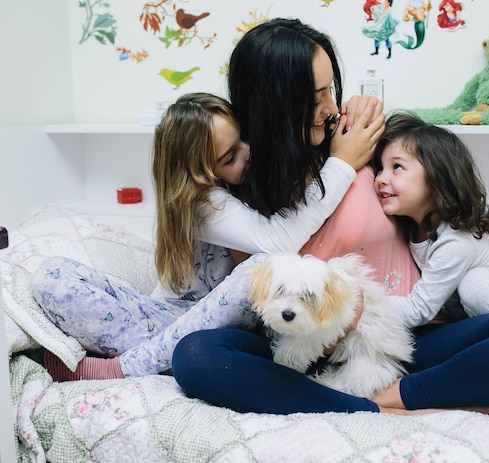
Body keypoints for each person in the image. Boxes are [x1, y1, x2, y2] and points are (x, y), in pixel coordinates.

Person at [170, 19, 489, 417]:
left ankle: (399, 395)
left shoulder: (356, 141)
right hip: (298, 347)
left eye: (329, 89)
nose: (330, 106)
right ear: (273, 104)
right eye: (313, 97)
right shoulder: (233, 188)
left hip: (411, 338)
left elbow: (433, 187)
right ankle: (391, 404)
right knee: (196, 356)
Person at [31, 89, 384, 379]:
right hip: (171, 318)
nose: (247, 155)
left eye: (243, 141)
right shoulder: (204, 203)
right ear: (198, 175)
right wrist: (341, 165)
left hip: (221, 329)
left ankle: (126, 367)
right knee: (51, 276)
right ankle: (152, 357)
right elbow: (279, 242)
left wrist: (352, 110)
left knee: (257, 270)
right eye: (229, 158)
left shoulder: (259, 179)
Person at [373, 111, 489, 326]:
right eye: (380, 168)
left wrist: (358, 307)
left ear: (436, 178)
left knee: (474, 285)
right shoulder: (411, 228)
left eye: (397, 167)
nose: (380, 179)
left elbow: (419, 309)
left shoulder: (455, 241)